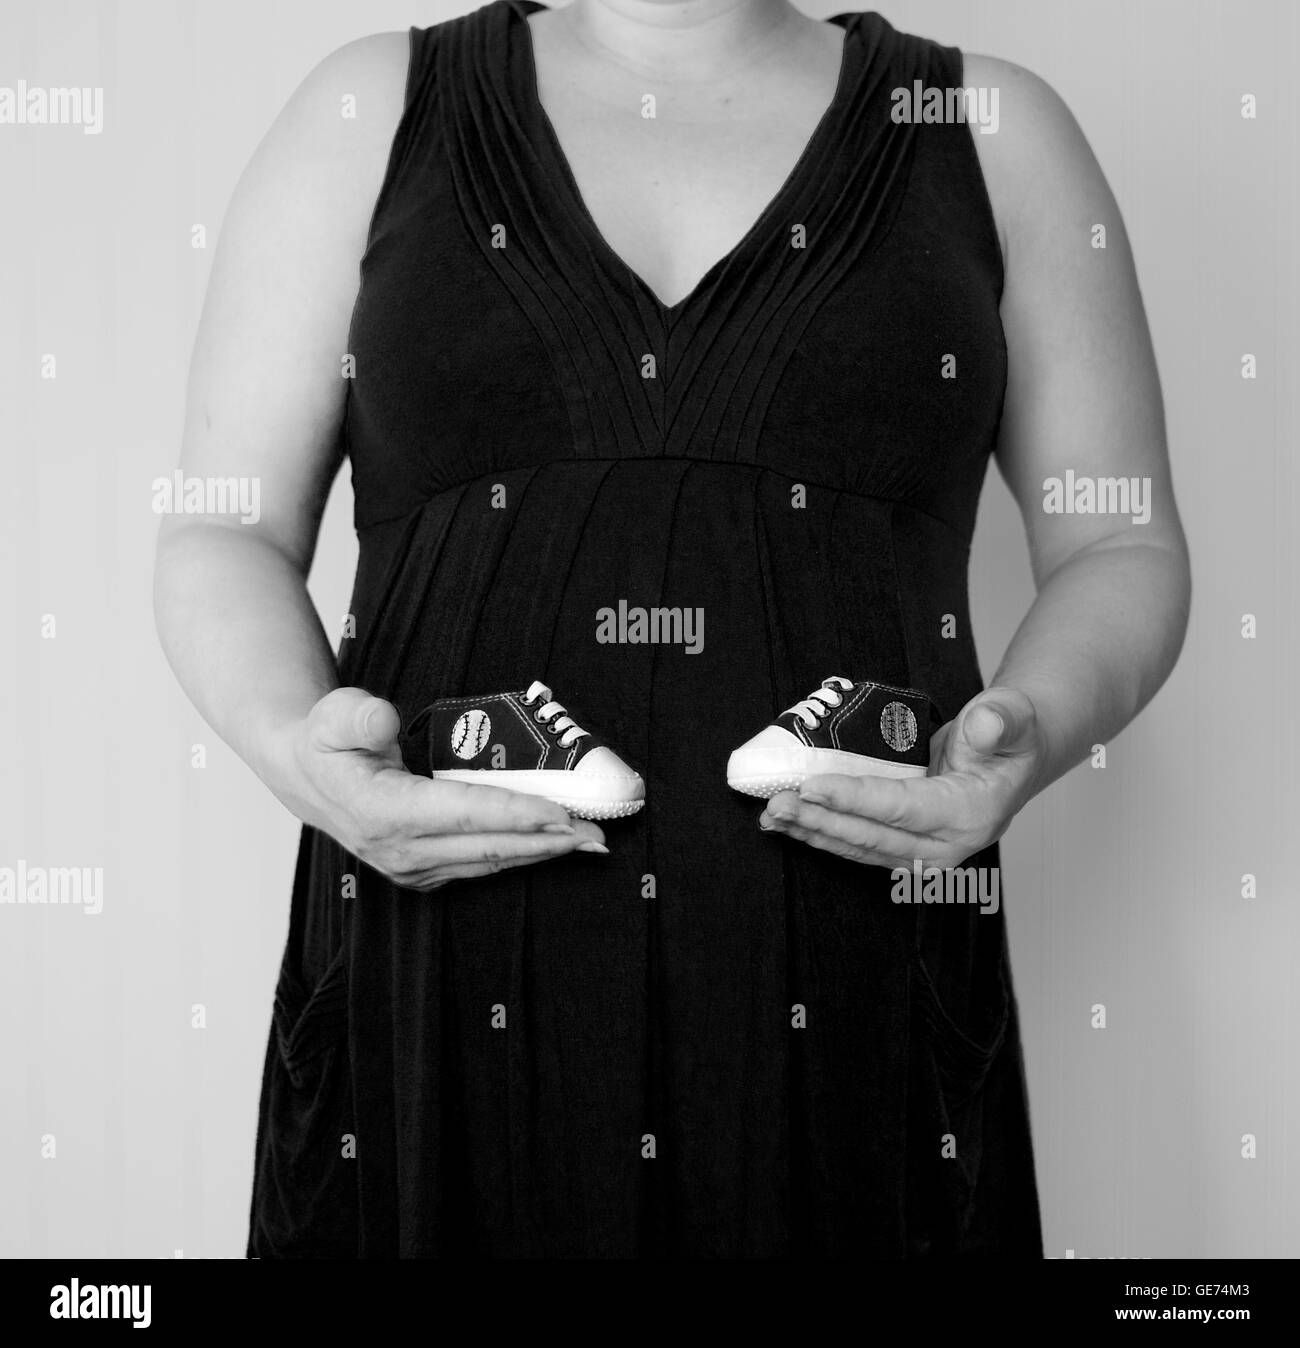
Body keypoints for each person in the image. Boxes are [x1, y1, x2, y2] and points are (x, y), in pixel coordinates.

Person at [154, 0, 1190, 1257]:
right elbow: (225, 532)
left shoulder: (987, 127)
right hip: (430, 1004)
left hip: (853, 1002)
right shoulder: (369, 109)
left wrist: (1029, 737)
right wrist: (296, 747)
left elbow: (1118, 544)